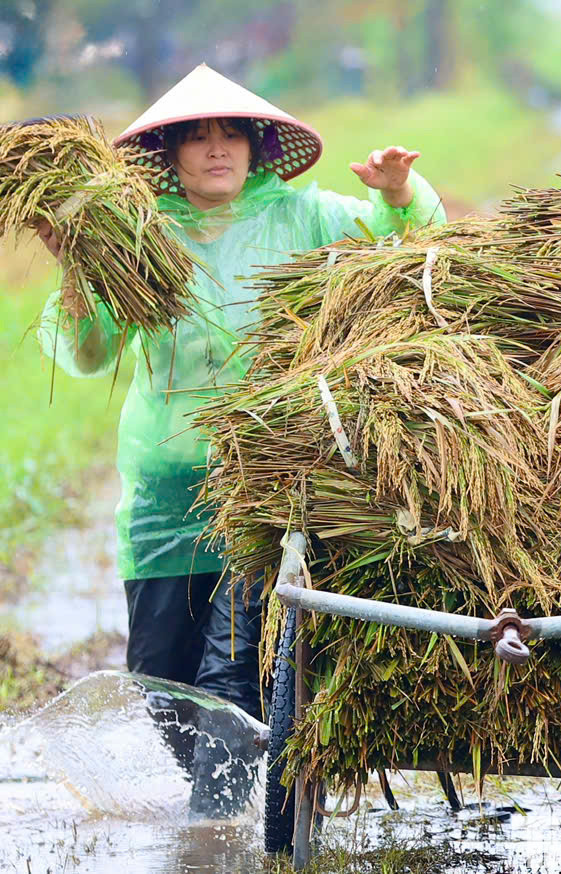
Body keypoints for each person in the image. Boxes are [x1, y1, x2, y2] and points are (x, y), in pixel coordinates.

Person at [33, 64, 446, 814]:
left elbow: (411, 246)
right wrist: (73, 261)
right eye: (198, 137)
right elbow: (89, 352)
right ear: (170, 154)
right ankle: (233, 791)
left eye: (231, 134)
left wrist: (395, 192)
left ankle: (214, 832)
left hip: (262, 485)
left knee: (231, 669)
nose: (216, 149)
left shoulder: (306, 219)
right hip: (162, 497)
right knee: (159, 680)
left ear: (258, 148)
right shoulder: (140, 239)